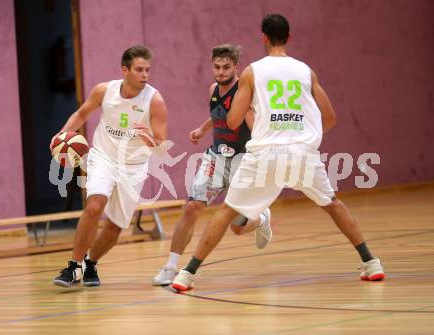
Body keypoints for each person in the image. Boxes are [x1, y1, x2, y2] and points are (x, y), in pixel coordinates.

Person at [172, 14, 385, 291]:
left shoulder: (252, 72)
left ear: (263, 38)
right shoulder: (306, 71)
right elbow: (330, 117)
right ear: (289, 37)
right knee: (332, 204)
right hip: (302, 153)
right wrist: (304, 136)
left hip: (266, 154)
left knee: (226, 212)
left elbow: (234, 121)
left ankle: (187, 274)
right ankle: (371, 262)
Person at [152, 44, 272, 286]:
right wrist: (203, 129)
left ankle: (261, 220)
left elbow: (256, 126)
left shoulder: (245, 91)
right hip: (216, 157)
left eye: (226, 67)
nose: (220, 72)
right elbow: (218, 112)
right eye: (216, 67)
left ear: (236, 67)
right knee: (191, 207)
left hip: (243, 159)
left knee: (237, 227)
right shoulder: (213, 89)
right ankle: (171, 266)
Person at [52, 45, 168, 287]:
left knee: (114, 228)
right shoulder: (105, 91)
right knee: (94, 206)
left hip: (133, 166)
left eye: (147, 70)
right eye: (139, 70)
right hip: (103, 157)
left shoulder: (154, 100)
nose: (145, 75)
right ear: (125, 70)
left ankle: (90, 263)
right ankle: (73, 267)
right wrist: (63, 134)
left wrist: (148, 137)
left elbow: (161, 143)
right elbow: (82, 113)